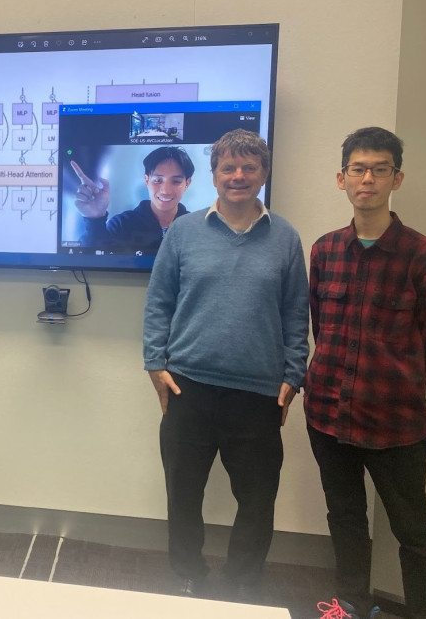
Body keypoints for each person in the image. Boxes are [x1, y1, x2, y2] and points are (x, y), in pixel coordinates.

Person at [143, 129, 309, 600]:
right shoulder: (184, 231)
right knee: (183, 493)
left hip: (257, 393)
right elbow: (159, 303)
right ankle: (187, 573)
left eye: (248, 167)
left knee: (257, 501)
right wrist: (156, 363)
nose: (238, 176)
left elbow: (296, 313)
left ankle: (242, 581)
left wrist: (293, 375)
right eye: (228, 167)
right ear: (213, 175)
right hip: (189, 386)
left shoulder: (285, 238)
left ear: (263, 173)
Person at [305, 127, 426, 619]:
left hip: (397, 425)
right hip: (329, 415)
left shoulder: (425, 255)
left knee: (414, 532)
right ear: (341, 178)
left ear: (397, 178)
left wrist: (398, 387)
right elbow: (319, 326)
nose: (367, 178)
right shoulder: (325, 251)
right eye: (358, 169)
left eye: (380, 169)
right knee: (345, 518)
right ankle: (349, 605)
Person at [72, 145, 194, 254]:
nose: (166, 190)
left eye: (176, 181)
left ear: (187, 183)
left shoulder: (195, 228)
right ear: (147, 181)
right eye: (157, 180)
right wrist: (95, 219)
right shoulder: (122, 224)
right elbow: (89, 257)